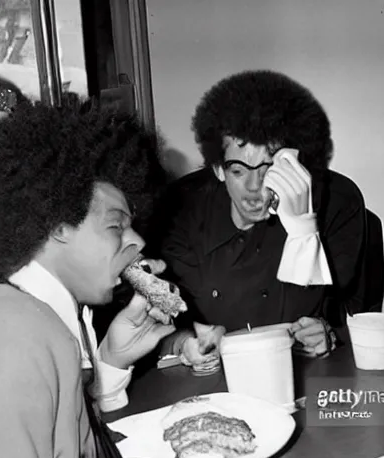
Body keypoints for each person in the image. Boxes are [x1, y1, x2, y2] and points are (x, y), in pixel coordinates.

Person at [0, 95, 210, 458]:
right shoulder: (6, 336)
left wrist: (109, 362)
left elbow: (69, 453)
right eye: (115, 225)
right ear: (56, 226)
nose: (137, 241)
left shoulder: (38, 321)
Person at [148, 70, 368, 359]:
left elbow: (348, 317)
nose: (254, 187)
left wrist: (327, 333)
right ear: (217, 169)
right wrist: (184, 343)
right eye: (238, 171)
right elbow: (163, 328)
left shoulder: (336, 204)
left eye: (268, 169)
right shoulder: (180, 214)